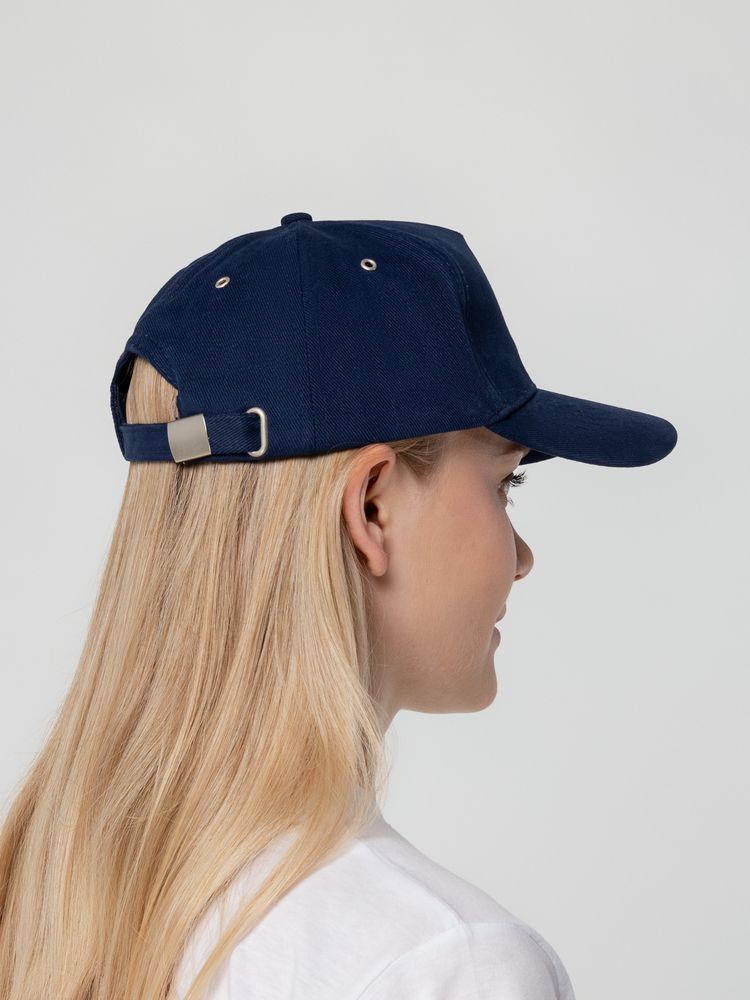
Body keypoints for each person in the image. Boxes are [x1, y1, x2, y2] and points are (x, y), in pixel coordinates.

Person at [0, 213, 677, 1000]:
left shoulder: (41, 899)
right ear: (371, 510)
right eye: (505, 484)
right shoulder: (443, 964)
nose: (521, 557)